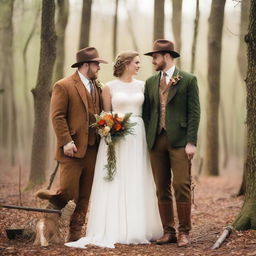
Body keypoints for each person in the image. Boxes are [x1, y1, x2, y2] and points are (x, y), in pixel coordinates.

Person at [65, 51, 163, 249]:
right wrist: (108, 128)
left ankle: (138, 226)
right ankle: (114, 226)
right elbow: (104, 114)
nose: (138, 65)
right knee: (115, 178)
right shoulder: (108, 87)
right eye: (136, 62)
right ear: (126, 64)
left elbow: (148, 111)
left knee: (137, 178)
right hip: (116, 138)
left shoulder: (143, 86)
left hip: (138, 137)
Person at [37, 47, 108, 242]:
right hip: (72, 150)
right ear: (86, 65)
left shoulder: (98, 87)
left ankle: (75, 233)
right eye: (96, 64)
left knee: (85, 194)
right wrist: (66, 141)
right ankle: (49, 217)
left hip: (93, 149)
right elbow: (57, 116)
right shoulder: (64, 85)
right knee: (69, 192)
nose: (99, 68)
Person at [142, 39, 200, 247]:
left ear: (166, 56)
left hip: (180, 141)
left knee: (181, 184)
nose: (152, 61)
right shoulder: (150, 82)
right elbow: (147, 113)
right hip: (157, 142)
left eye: (155, 57)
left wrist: (191, 141)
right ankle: (169, 232)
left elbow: (194, 113)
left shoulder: (188, 79)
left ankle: (184, 232)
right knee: (161, 186)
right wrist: (150, 137)